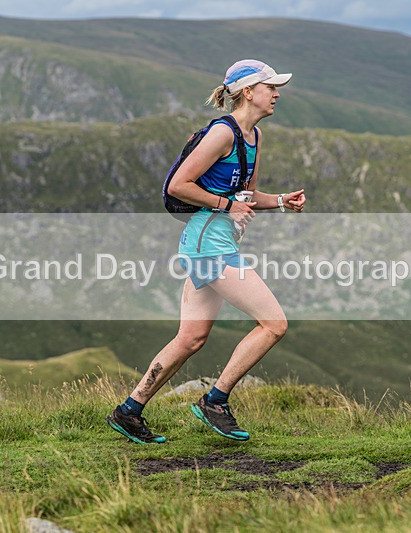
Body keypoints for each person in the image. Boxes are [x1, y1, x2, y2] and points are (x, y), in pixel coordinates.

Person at [107, 59, 306, 444]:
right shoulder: (222, 133)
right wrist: (228, 207)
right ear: (248, 92)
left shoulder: (254, 137)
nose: (277, 94)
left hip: (217, 243)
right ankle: (215, 401)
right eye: (271, 87)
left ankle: (129, 411)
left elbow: (244, 195)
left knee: (191, 339)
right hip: (207, 245)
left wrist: (281, 201)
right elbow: (180, 185)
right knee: (274, 324)